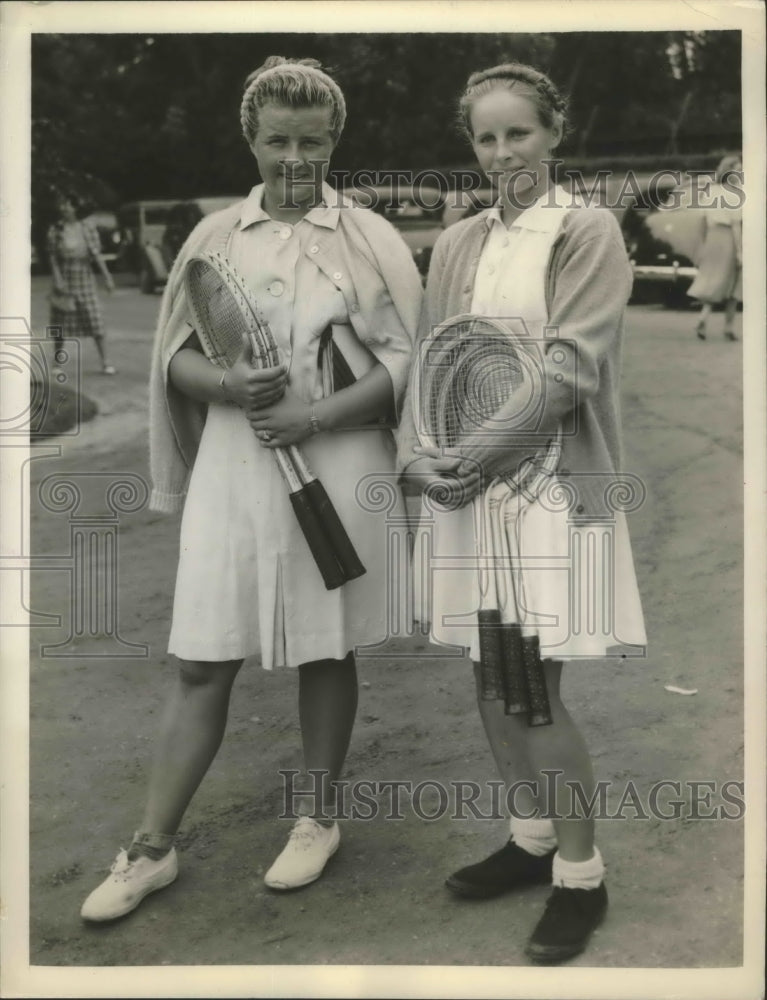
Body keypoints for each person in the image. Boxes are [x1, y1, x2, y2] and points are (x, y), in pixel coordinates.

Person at [80, 56, 422, 922]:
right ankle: (151, 847)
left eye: (312, 142)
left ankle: (316, 817)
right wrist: (230, 390)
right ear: (251, 140)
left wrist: (314, 417)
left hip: (336, 462)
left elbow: (403, 360)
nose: (295, 159)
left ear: (334, 140)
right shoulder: (214, 238)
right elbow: (176, 353)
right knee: (201, 656)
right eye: (278, 141)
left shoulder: (370, 238)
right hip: (236, 467)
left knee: (325, 648)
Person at [397, 62, 646, 964]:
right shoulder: (458, 241)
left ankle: (582, 877)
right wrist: (413, 453)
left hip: (548, 489)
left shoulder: (586, 230)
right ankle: (531, 838)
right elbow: (430, 361)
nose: (503, 152)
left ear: (553, 133)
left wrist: (464, 456)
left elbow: (569, 369)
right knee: (486, 677)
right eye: (486, 137)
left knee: (534, 688)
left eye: (519, 133)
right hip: (469, 497)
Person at [46, 194, 117, 375]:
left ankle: (106, 361)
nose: (63, 208)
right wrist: (58, 279)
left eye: (67, 205)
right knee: (61, 324)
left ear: (75, 208)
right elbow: (53, 258)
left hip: (84, 278)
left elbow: (96, 256)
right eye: (61, 205)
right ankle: (57, 363)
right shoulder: (56, 230)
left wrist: (107, 277)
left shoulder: (86, 228)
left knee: (95, 320)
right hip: (64, 278)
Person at [687, 152, 743, 341]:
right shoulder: (735, 193)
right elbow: (736, 224)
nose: (741, 172)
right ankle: (728, 327)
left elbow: (702, 219)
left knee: (714, 280)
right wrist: (740, 251)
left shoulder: (712, 191)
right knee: (734, 283)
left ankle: (703, 317)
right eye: (738, 169)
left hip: (712, 237)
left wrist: (703, 243)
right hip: (728, 238)